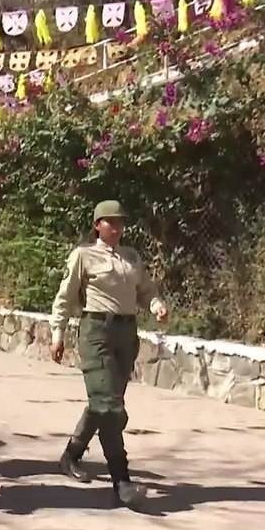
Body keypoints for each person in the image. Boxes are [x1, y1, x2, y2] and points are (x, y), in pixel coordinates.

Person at [48, 200, 170, 509]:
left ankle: (71, 455)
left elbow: (147, 290)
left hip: (126, 334)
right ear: (97, 225)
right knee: (110, 407)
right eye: (110, 222)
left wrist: (156, 305)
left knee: (103, 404)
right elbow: (65, 296)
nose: (116, 227)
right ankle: (122, 480)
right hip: (96, 331)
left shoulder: (131, 257)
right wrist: (57, 333)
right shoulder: (83, 256)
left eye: (120, 222)